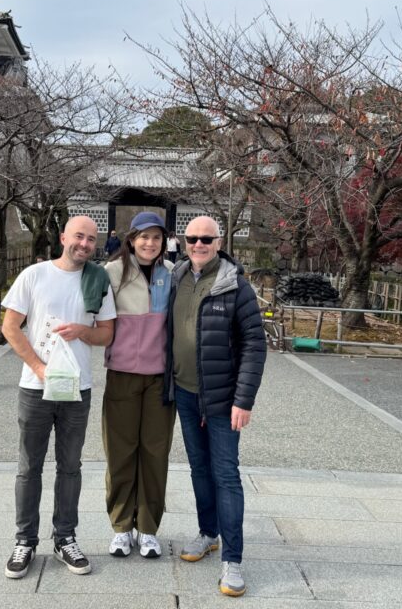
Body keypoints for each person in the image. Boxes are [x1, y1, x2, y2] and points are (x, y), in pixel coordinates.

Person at [1, 215, 117, 580]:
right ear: (63, 236)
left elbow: (107, 334)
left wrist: (85, 330)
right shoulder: (34, 276)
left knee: (70, 466)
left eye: (91, 239)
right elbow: (9, 326)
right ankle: (25, 540)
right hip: (36, 389)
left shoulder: (97, 280)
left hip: (76, 389)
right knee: (28, 467)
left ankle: (65, 536)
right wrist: (38, 366)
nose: (84, 244)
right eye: (78, 236)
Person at [165, 215, 265, 597]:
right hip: (185, 392)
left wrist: (244, 399)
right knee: (198, 469)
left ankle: (233, 559)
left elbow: (255, 346)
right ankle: (208, 533)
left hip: (222, 398)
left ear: (219, 241)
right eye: (192, 238)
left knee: (225, 473)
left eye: (206, 238)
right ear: (184, 241)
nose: (199, 244)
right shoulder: (177, 278)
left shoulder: (235, 286)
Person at [102, 211, 176, 559]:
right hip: (122, 375)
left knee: (154, 454)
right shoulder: (111, 273)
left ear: (163, 243)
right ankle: (121, 527)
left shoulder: (172, 275)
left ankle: (147, 528)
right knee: (120, 453)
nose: (150, 243)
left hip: (160, 378)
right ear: (131, 239)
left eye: (157, 238)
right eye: (143, 237)